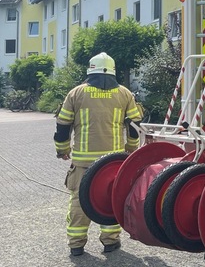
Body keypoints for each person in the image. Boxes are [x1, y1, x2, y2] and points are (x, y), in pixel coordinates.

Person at [54, 52, 143, 256]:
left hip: (83, 162)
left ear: (90, 70)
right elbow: (134, 125)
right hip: (112, 163)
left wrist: (63, 149)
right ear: (113, 71)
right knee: (111, 198)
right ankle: (110, 241)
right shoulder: (124, 94)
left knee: (79, 200)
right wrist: (132, 147)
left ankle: (76, 244)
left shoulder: (76, 93)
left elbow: (62, 125)